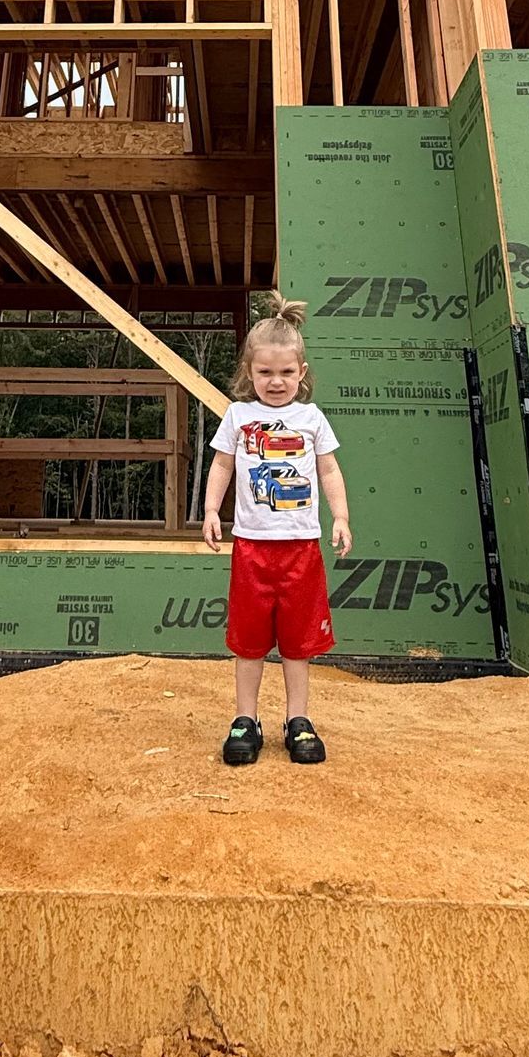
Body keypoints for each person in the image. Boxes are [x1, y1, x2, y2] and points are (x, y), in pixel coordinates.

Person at [202, 292, 351, 766]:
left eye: (286, 372)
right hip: (251, 549)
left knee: (297, 643)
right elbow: (222, 466)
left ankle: (298, 720)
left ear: (301, 374)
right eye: (265, 373)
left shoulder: (311, 419)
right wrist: (210, 511)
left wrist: (341, 517)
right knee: (248, 643)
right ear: (249, 373)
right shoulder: (238, 416)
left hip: (302, 551)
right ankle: (245, 719)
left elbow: (328, 470)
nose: (276, 381)